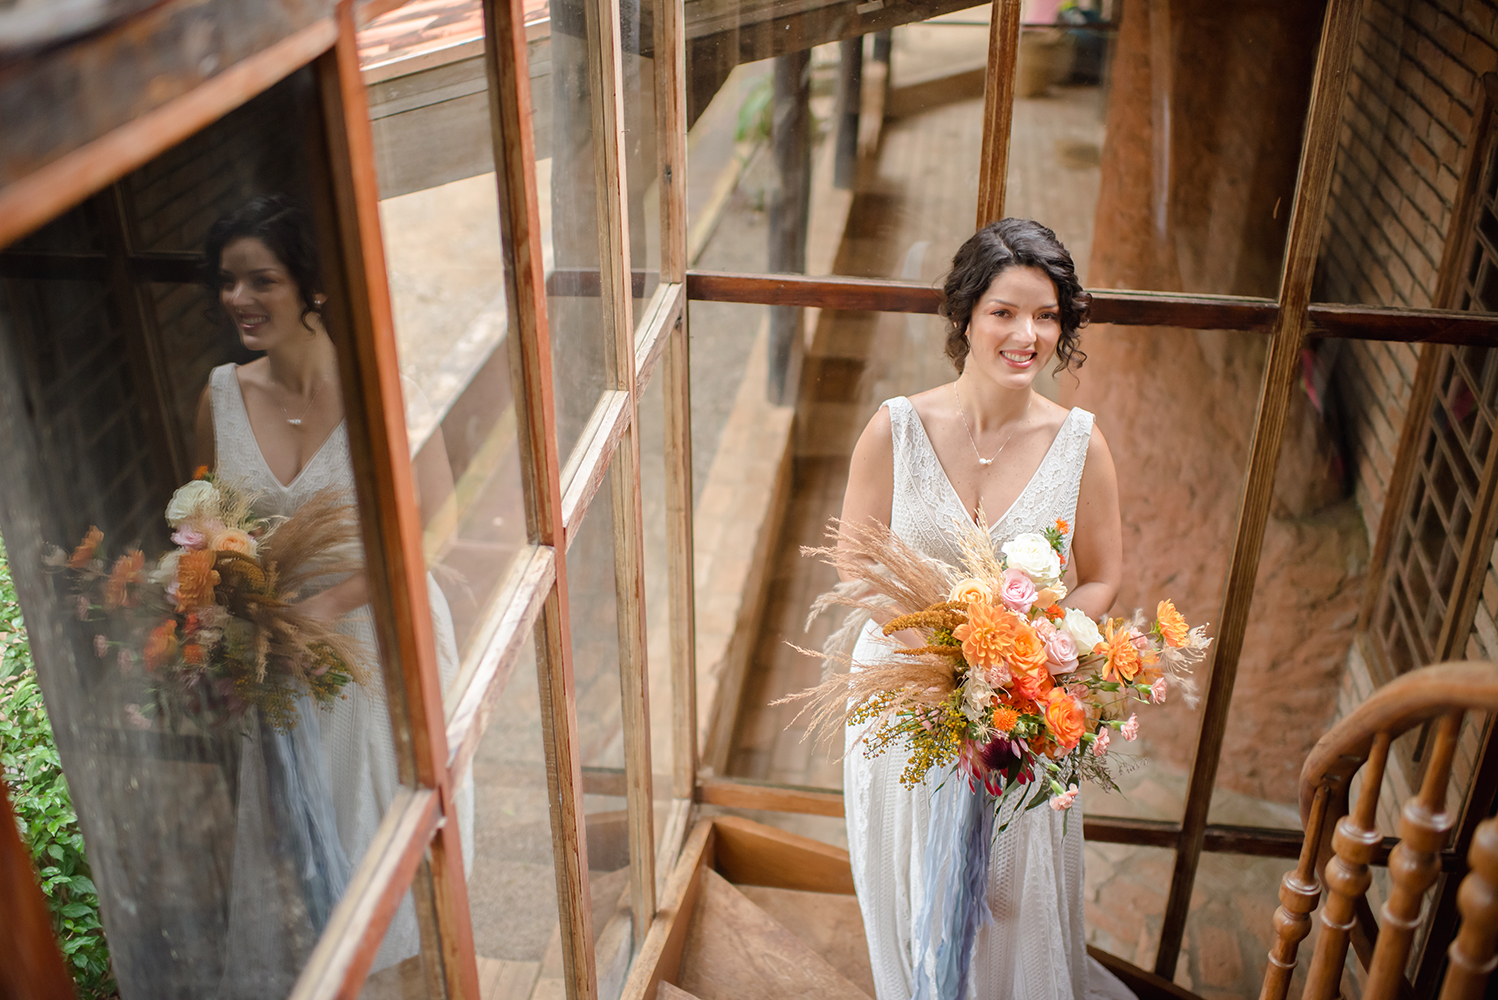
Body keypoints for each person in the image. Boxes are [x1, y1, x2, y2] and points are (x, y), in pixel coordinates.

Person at [837, 219, 1131, 999]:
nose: (1025, 335)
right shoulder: (895, 429)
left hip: (1017, 713)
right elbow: (854, 565)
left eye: (1046, 316)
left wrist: (1042, 646)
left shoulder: (1081, 446)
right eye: (1004, 311)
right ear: (966, 315)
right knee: (908, 885)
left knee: (1011, 901)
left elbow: (1101, 577)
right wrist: (945, 649)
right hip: (901, 703)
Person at [195, 195, 469, 996]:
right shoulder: (218, 396)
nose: (238, 299)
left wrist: (329, 605)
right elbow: (204, 528)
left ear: (312, 287)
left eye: (261, 280)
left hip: (380, 652)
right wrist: (222, 611)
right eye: (226, 282)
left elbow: (436, 526)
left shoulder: (387, 386)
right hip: (281, 670)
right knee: (306, 870)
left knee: (393, 857)